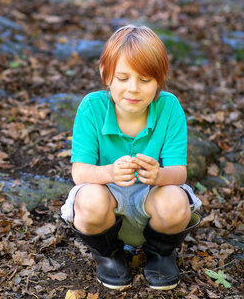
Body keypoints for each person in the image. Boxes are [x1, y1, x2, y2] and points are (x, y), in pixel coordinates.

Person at [61, 25, 202, 291]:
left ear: (159, 80)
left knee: (176, 200)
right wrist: (109, 174)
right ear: (106, 75)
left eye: (145, 80)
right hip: (107, 209)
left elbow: (179, 173)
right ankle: (109, 256)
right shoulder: (92, 107)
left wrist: (159, 175)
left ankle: (160, 254)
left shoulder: (169, 107)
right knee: (89, 198)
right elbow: (79, 172)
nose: (133, 89)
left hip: (152, 205)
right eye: (123, 78)